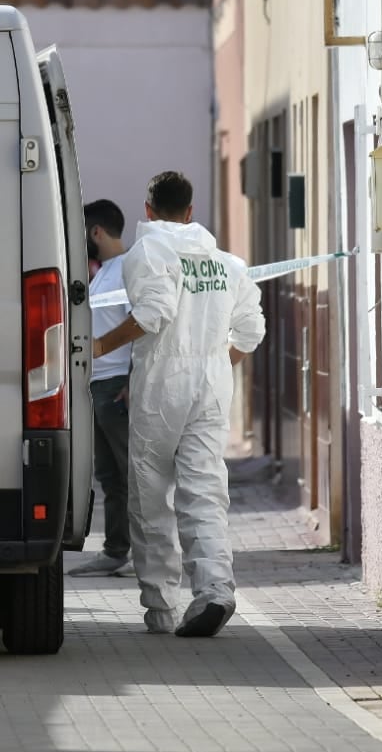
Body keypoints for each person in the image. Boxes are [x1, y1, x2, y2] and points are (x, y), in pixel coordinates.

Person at [91, 171, 265, 638]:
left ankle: (162, 609)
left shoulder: (148, 251)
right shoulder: (227, 262)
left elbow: (152, 314)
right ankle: (215, 592)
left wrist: (96, 348)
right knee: (204, 491)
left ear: (148, 210)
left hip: (163, 380)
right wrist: (215, 364)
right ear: (191, 213)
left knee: (150, 495)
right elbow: (250, 331)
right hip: (212, 381)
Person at [69, 200, 134, 577]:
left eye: (83, 233)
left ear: (97, 232)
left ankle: (146, 553)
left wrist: (132, 379)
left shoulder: (128, 270)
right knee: (110, 477)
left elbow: (146, 325)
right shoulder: (104, 272)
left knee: (131, 475)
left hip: (116, 388)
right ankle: (114, 551)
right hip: (97, 386)